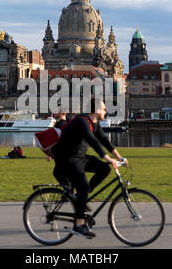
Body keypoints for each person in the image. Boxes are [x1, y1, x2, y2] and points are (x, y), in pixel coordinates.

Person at [51, 96, 127, 239]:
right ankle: (79, 225)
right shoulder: (82, 121)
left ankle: (81, 199)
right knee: (84, 187)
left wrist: (119, 157)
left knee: (104, 169)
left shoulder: (95, 123)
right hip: (67, 159)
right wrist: (108, 158)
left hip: (79, 157)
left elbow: (104, 140)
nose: (106, 111)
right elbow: (92, 141)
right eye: (104, 109)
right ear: (97, 110)